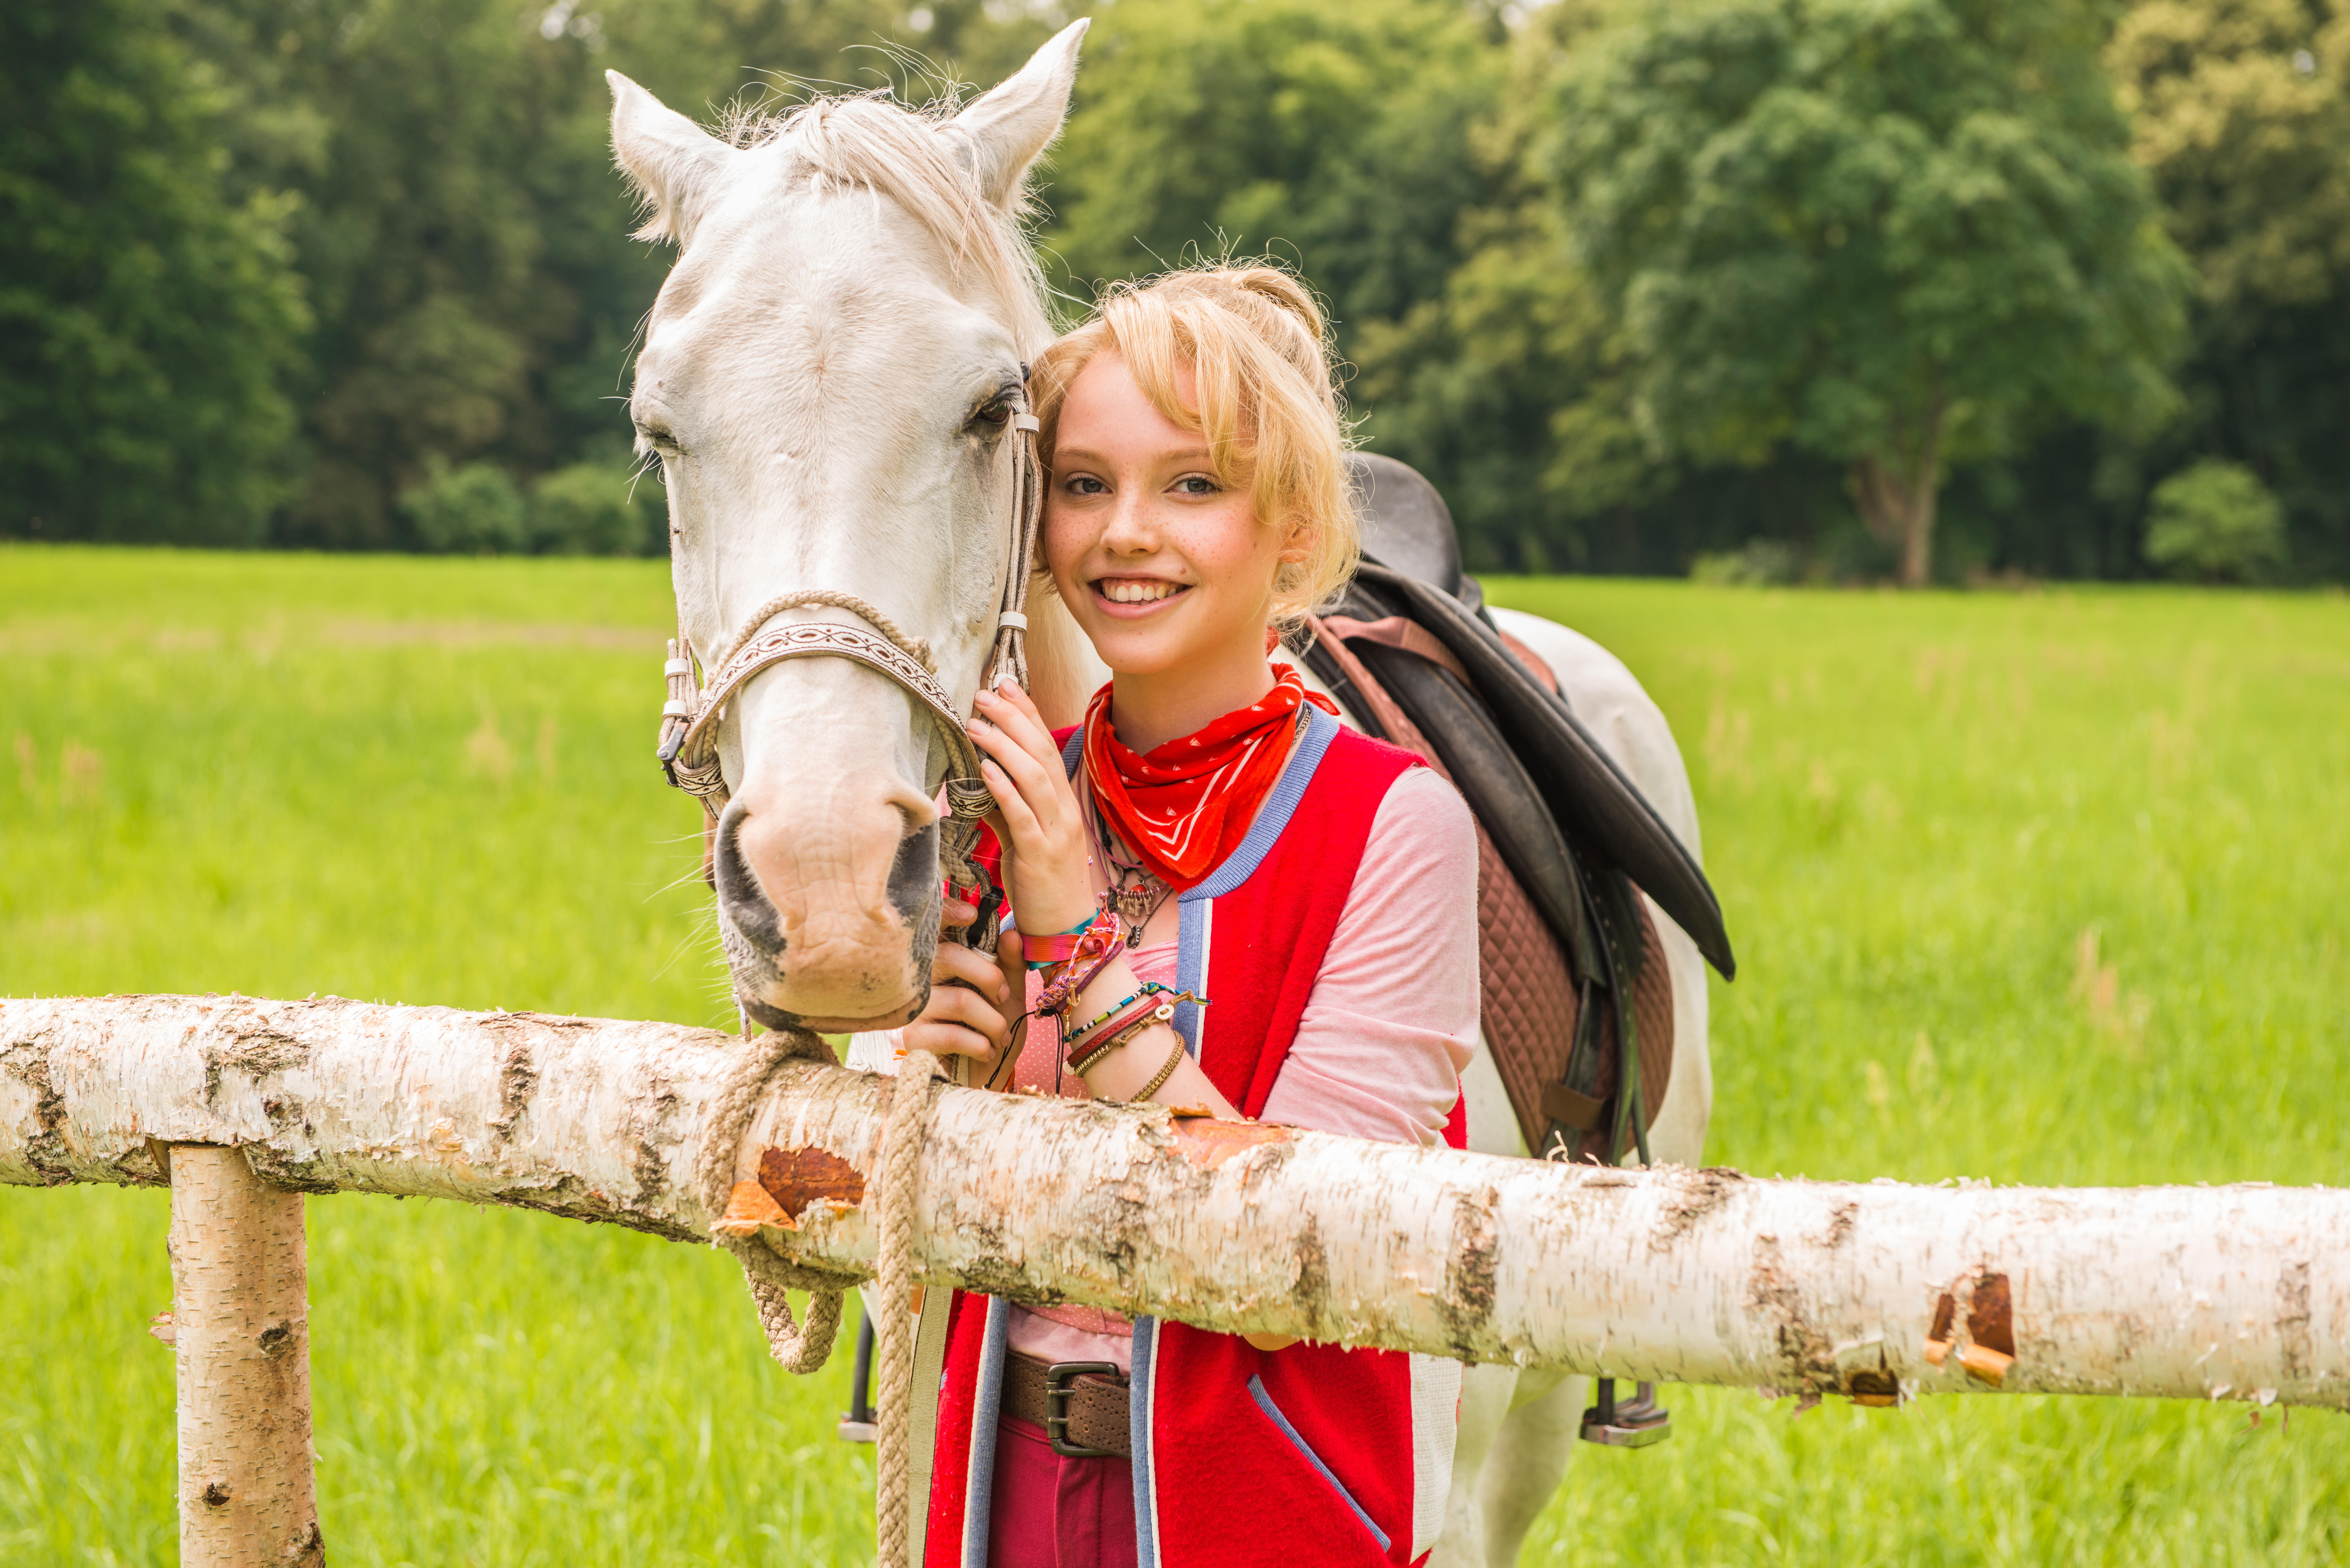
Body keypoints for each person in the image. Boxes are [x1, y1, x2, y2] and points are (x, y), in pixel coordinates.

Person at [863, 265, 1480, 1568]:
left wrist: (1081, 950)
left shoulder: (1396, 827)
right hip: (995, 1491)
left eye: (1191, 485)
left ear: (1295, 530)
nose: (1124, 531)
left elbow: (1295, 1271)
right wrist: (932, 1077)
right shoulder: (997, 807)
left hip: (1267, 1509)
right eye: (1083, 484)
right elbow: (877, 1206)